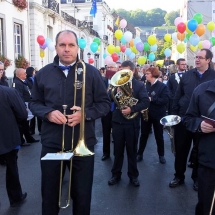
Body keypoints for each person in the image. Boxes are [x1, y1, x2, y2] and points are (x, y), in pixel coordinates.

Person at [29, 30, 110, 215]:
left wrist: (86, 114)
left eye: (71, 45)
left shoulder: (92, 73)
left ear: (77, 47)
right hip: (52, 144)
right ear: (56, 47)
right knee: (49, 196)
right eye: (62, 45)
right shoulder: (43, 74)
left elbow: (104, 104)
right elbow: (34, 103)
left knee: (82, 196)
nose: (67, 49)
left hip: (83, 143)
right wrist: (48, 113)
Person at [169, 49, 215, 191]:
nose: (197, 60)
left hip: (204, 122)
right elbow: (177, 96)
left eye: (201, 58)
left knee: (199, 151)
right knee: (181, 150)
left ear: (208, 60)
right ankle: (179, 176)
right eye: (196, 57)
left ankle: (197, 179)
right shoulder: (187, 75)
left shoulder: (213, 76)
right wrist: (174, 117)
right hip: (184, 119)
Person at [108, 60, 149, 187]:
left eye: (125, 71)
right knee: (117, 150)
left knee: (132, 151)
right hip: (117, 122)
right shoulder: (115, 85)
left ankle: (133, 176)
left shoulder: (139, 85)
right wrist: (113, 90)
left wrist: (132, 109)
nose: (122, 73)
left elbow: (145, 102)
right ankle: (116, 174)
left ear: (132, 71)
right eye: (121, 70)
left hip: (132, 123)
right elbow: (108, 99)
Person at [184, 79, 215, 215]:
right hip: (209, 160)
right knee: (206, 206)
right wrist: (199, 125)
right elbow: (188, 118)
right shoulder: (201, 90)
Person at [0, 85, 28, 207]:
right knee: (12, 167)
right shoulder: (9, 92)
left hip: (7, 137)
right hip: (8, 137)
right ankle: (15, 197)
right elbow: (22, 114)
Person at [136, 67, 169, 164]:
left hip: (158, 115)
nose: (145, 75)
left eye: (147, 73)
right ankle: (140, 154)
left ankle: (161, 155)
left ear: (153, 74)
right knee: (143, 135)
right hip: (146, 114)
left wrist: (152, 99)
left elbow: (165, 100)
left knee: (159, 136)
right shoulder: (145, 86)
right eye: (145, 73)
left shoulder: (162, 86)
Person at [13, 68, 39, 145]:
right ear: (20, 75)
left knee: (25, 123)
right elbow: (18, 96)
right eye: (24, 73)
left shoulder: (22, 82)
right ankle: (21, 140)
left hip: (26, 103)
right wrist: (23, 106)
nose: (26, 74)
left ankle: (28, 138)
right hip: (23, 104)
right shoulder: (17, 83)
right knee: (22, 124)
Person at [101, 62, 118, 161]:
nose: (110, 68)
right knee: (106, 133)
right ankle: (106, 153)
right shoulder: (103, 80)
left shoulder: (120, 80)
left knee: (116, 133)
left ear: (116, 69)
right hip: (106, 111)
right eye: (108, 67)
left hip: (116, 110)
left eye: (112, 67)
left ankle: (117, 152)